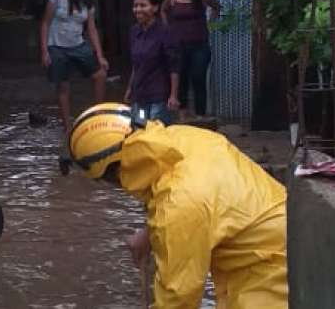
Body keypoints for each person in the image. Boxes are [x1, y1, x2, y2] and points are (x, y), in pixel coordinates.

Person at [67, 103, 288, 308]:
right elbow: (205, 200)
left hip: (272, 273)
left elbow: (179, 298)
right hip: (282, 234)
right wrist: (150, 232)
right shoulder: (182, 137)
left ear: (114, 172)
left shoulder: (177, 208)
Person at [40, 0, 108, 133]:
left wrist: (99, 55)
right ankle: (67, 126)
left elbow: (91, 29)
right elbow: (45, 24)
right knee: (63, 86)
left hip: (78, 45)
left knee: (100, 74)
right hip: (56, 47)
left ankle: (97, 115)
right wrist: (44, 51)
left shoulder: (88, 1)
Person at [162, 0, 221, 121]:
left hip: (199, 45)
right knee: (181, 79)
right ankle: (183, 115)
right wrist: (167, 29)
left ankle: (200, 115)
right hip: (178, 46)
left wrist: (211, 23)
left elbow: (217, 6)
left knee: (198, 77)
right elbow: (163, 11)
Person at [124, 0, 181, 125]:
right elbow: (136, 64)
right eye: (135, 6)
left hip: (158, 96)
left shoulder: (165, 32)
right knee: (140, 129)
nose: (138, 9)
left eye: (143, 5)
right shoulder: (134, 32)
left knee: (157, 133)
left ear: (155, 8)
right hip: (140, 95)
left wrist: (173, 95)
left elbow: (174, 66)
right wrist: (130, 88)